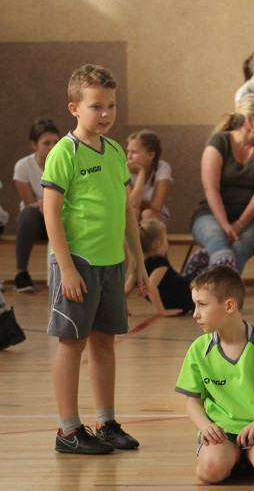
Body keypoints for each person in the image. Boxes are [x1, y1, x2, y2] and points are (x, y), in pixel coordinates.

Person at [42, 64, 148, 455]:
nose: (105, 114)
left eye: (111, 106)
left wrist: (138, 261)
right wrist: (67, 268)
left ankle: (106, 423)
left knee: (104, 342)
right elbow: (50, 212)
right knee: (72, 343)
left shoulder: (116, 151)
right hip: (77, 262)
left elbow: (127, 212)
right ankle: (68, 430)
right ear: (74, 108)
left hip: (111, 262)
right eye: (95, 106)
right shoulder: (64, 152)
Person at [175, 266, 254, 484]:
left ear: (229, 306)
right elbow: (192, 402)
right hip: (223, 433)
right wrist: (206, 426)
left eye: (202, 305)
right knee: (211, 471)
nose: (195, 313)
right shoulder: (199, 349)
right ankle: (233, 461)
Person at [190, 93, 254, 273]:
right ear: (250, 121)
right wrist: (225, 225)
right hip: (211, 215)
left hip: (253, 220)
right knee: (218, 243)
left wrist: (239, 225)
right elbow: (211, 188)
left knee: (237, 251)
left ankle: (200, 282)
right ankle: (215, 284)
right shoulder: (219, 141)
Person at [13, 118, 61, 292]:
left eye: (56, 142)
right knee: (27, 214)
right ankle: (21, 273)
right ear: (34, 145)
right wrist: (45, 204)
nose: (52, 147)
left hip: (61, 216)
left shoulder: (66, 164)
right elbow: (29, 202)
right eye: (46, 143)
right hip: (38, 220)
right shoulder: (23, 166)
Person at [134, 218, 208, 316]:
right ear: (159, 243)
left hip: (182, 295)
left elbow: (126, 289)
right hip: (187, 297)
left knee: (202, 257)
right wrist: (162, 311)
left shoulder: (138, 266)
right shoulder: (160, 262)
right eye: (166, 240)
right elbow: (151, 287)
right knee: (204, 255)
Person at [126, 129, 172, 224]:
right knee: (133, 213)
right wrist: (141, 173)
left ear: (151, 155)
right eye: (128, 151)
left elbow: (157, 207)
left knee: (147, 214)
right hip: (131, 213)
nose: (129, 156)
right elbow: (132, 205)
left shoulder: (163, 167)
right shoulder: (124, 170)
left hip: (156, 215)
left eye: (134, 152)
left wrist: (141, 171)